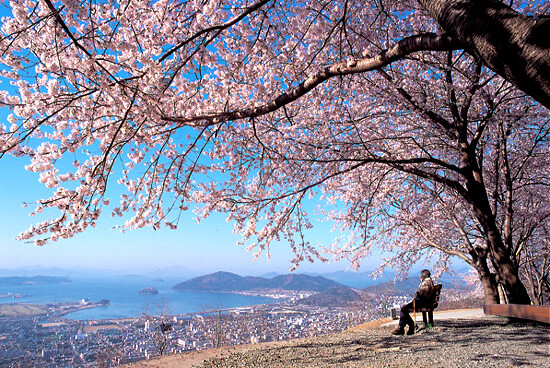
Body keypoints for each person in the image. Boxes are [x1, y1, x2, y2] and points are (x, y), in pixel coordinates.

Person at [391, 269, 435, 336]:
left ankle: (406, 327)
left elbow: (420, 294)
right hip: (426, 302)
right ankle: (408, 326)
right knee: (404, 308)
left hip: (422, 303)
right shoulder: (430, 282)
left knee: (403, 309)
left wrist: (416, 296)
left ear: (423, 276)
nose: (420, 277)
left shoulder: (425, 283)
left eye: (421, 276)